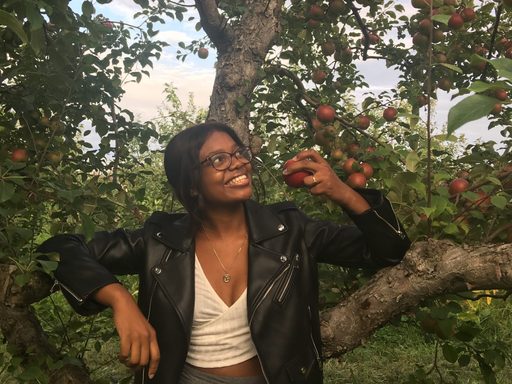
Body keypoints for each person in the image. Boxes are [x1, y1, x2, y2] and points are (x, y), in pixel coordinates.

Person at [38, 121, 411, 384]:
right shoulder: (161, 240)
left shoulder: (292, 231)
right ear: (192, 184)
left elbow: (389, 251)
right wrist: (119, 299)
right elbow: (59, 248)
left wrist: (343, 192)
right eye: (217, 159)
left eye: (238, 152)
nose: (237, 162)